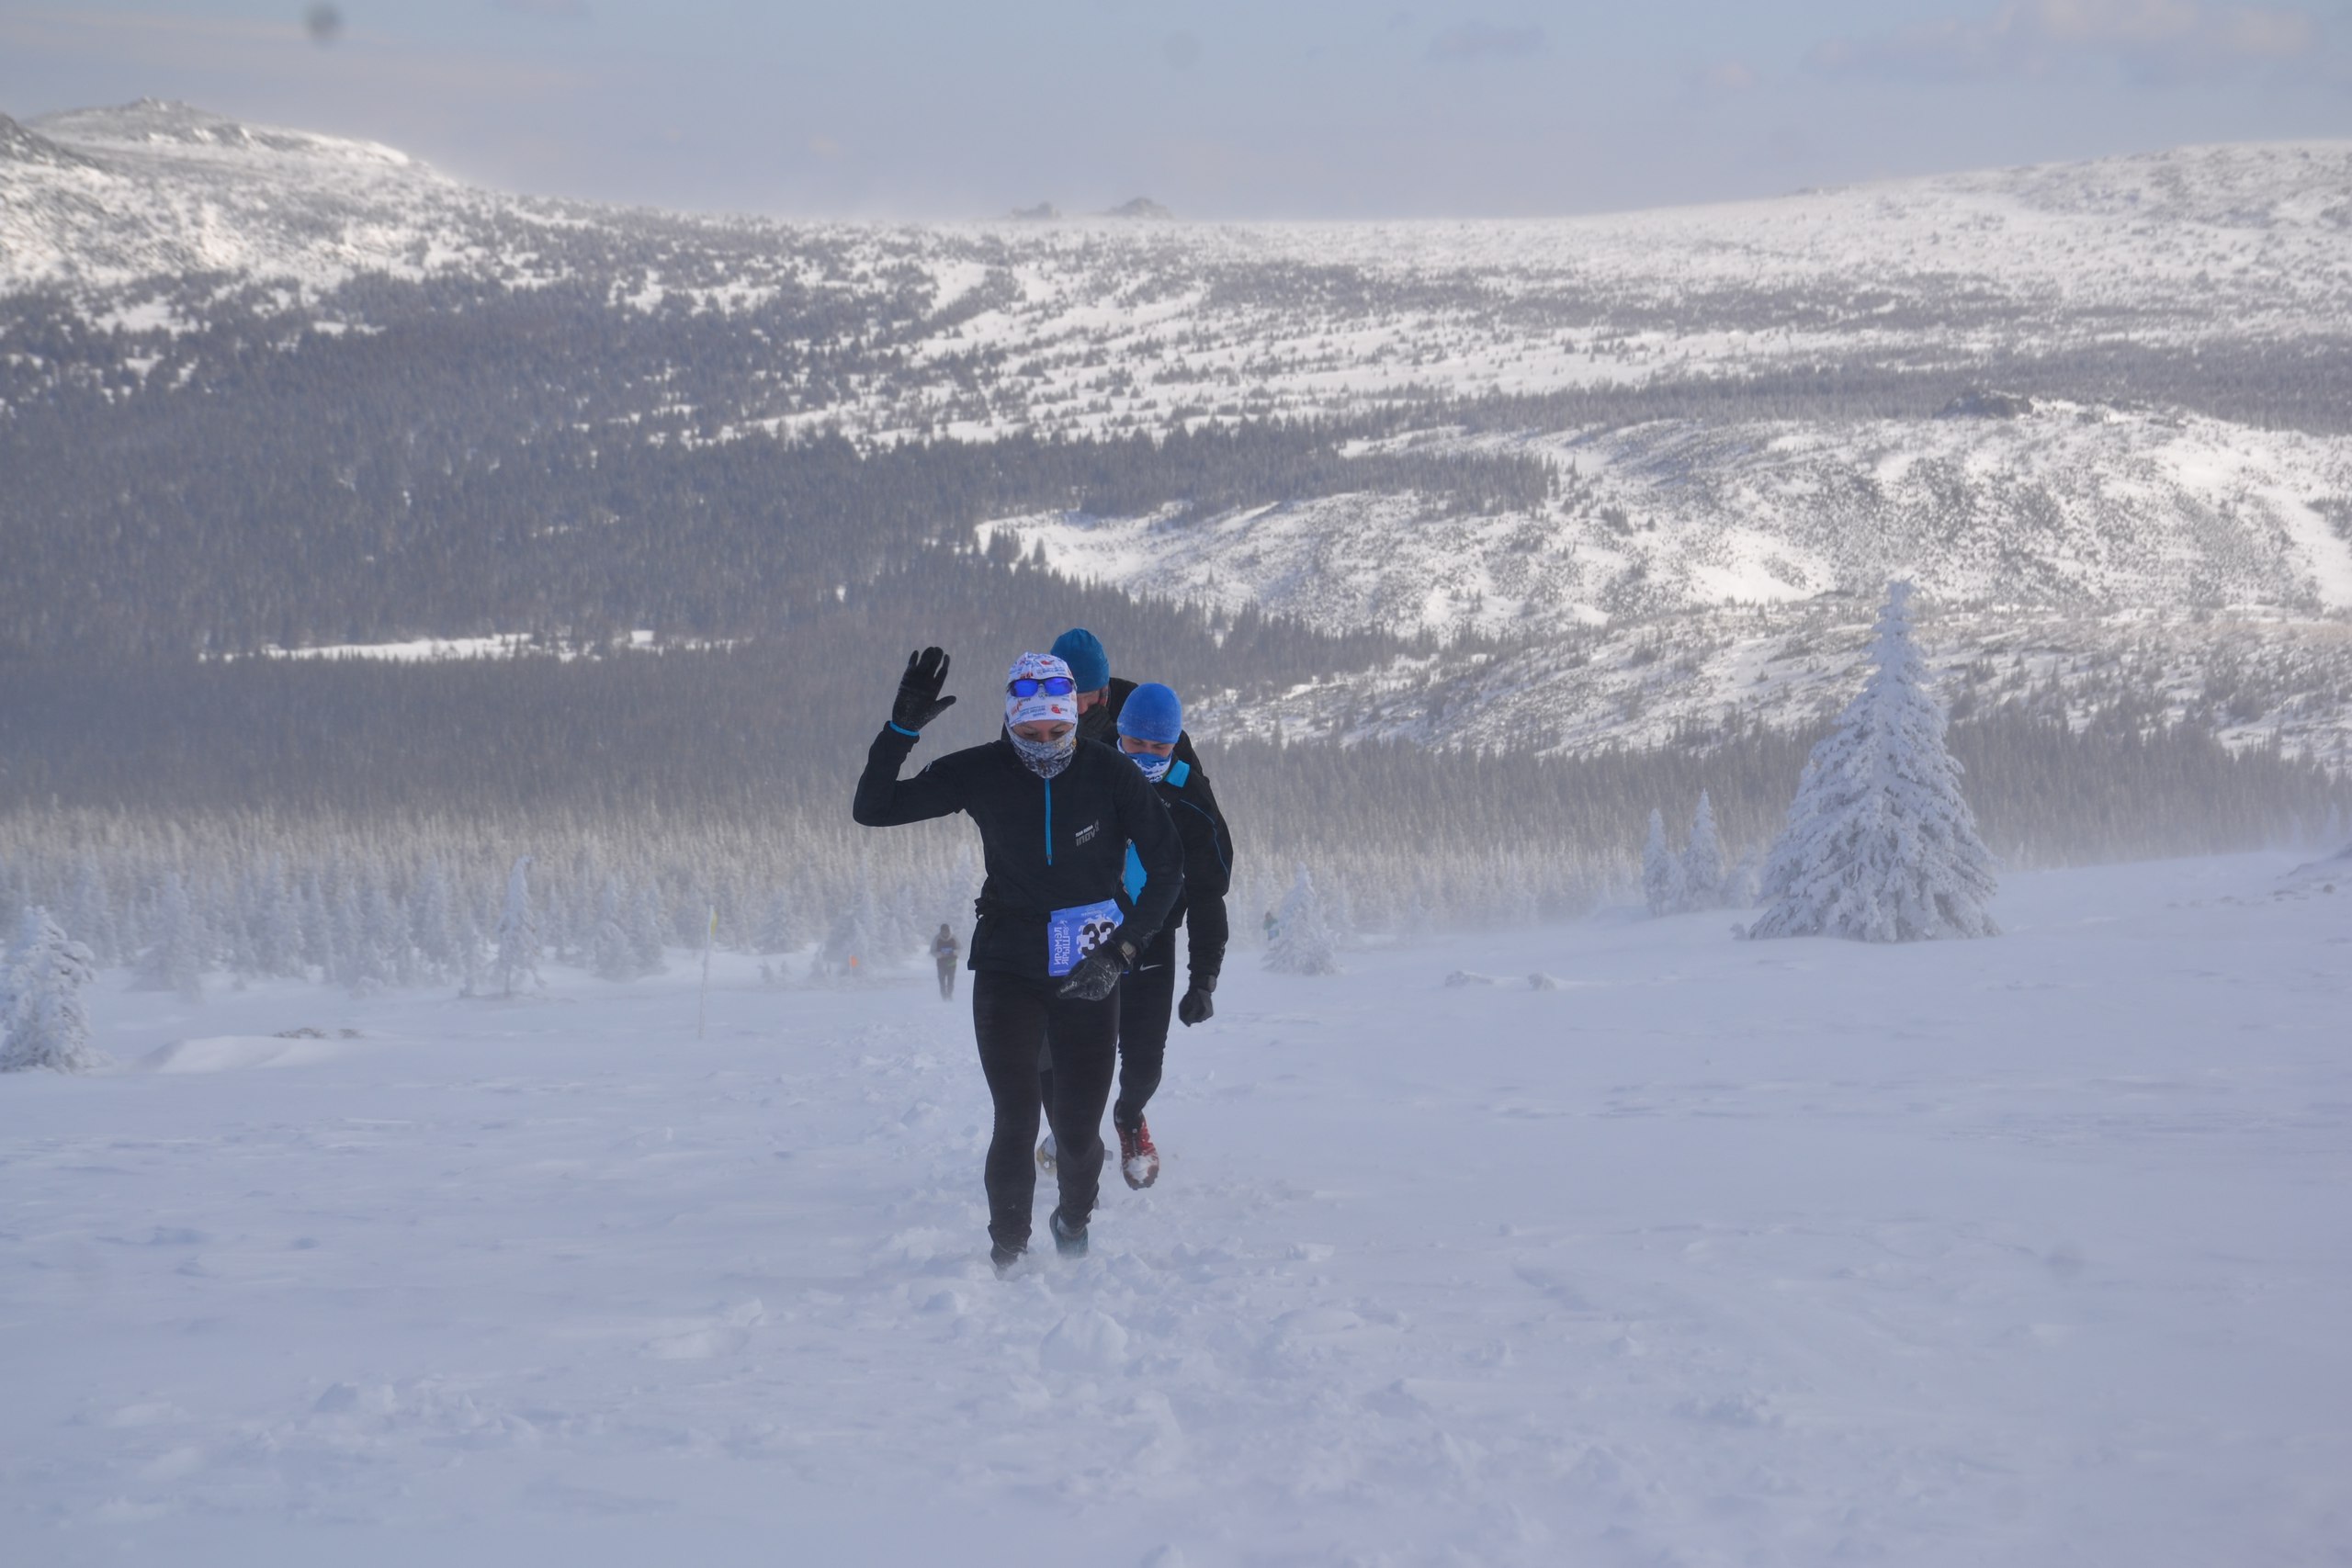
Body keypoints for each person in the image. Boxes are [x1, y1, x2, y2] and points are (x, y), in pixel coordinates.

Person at [853, 647, 1184, 1273]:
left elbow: (1169, 871)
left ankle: (1073, 1224)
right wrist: (900, 730)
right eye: (1029, 735)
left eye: (1057, 732)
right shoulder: (984, 770)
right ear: (1009, 722)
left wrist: (1122, 951)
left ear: (1073, 721)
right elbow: (874, 808)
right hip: (1009, 964)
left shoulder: (1109, 773)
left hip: (1091, 968)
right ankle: (1006, 1253)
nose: (1044, 747)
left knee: (1078, 1132)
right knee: (1015, 1119)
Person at [1040, 682, 1232, 1190]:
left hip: (1151, 938)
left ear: (1175, 743)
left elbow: (1209, 894)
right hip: (1086, 934)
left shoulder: (1191, 799)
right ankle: (1069, 1132)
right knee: (1068, 1052)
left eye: (1159, 747)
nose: (1146, 755)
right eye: (1135, 744)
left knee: (1144, 1065)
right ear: (1119, 736)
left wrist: (1204, 979)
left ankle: (1129, 1117)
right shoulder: (1090, 773)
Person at [1050, 627, 1210, 784]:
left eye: (1089, 696)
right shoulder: (1044, 714)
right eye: (1071, 699)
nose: (1081, 709)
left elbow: (1193, 785)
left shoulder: (1141, 706)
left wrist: (1114, 741)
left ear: (1103, 688)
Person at [930, 923, 960, 1000]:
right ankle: (944, 996)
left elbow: (960, 948)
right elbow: (932, 951)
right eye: (943, 931)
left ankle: (949, 995)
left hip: (952, 963)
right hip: (941, 963)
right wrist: (940, 954)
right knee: (942, 981)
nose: (945, 932)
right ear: (941, 931)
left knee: (951, 980)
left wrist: (953, 952)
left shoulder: (954, 938)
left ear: (949, 931)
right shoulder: (937, 939)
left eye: (946, 931)